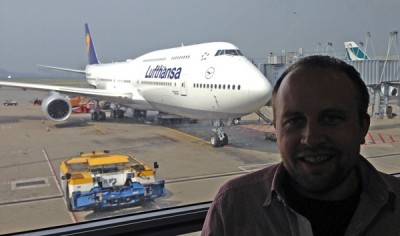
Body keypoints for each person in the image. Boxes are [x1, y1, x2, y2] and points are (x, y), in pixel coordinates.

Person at [201, 55, 400, 236]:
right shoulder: (232, 207)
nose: (311, 138)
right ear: (277, 130)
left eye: (330, 119)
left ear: (362, 127)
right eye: (294, 121)